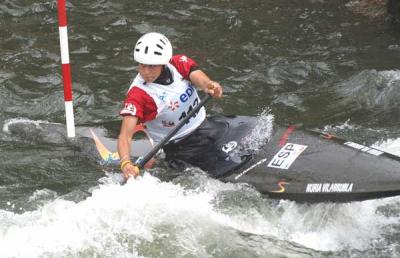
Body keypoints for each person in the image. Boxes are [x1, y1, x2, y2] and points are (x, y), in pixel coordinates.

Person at [117, 32, 223, 179]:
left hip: (206, 126)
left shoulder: (178, 64)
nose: (146, 72)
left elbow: (201, 80)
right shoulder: (138, 96)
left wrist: (210, 86)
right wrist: (126, 163)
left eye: (152, 66)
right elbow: (125, 136)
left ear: (163, 63)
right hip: (180, 147)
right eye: (142, 65)